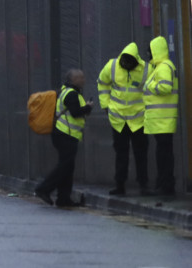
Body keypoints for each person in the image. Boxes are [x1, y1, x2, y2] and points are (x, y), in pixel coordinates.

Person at [34, 69, 91, 208]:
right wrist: (88, 107)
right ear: (73, 80)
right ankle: (43, 189)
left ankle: (64, 198)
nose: (83, 80)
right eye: (80, 78)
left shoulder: (65, 91)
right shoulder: (71, 94)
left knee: (68, 167)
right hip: (66, 134)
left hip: (64, 134)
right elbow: (76, 113)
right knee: (65, 165)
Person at [97, 42, 149, 195]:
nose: (126, 65)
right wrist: (105, 105)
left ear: (135, 61)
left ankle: (143, 184)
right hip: (119, 119)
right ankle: (120, 184)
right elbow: (102, 83)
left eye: (129, 63)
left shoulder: (145, 69)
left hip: (138, 119)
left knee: (141, 153)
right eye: (124, 62)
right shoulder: (112, 66)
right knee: (121, 153)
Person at [141, 36, 179, 196]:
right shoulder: (161, 66)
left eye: (149, 51)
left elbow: (165, 87)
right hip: (161, 119)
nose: (148, 54)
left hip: (162, 119)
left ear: (155, 51)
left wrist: (149, 85)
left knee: (164, 155)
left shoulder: (163, 67)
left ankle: (166, 185)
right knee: (164, 153)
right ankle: (164, 184)